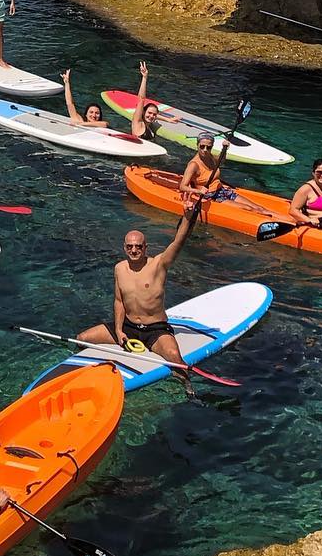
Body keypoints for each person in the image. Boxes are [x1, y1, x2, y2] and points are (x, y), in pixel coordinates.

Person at [77, 203, 201, 393]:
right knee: (82, 338)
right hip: (128, 327)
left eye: (138, 247)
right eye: (130, 247)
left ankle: (188, 390)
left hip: (154, 330)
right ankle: (83, 376)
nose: (134, 250)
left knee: (174, 357)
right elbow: (119, 301)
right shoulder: (119, 268)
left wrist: (188, 216)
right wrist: (119, 331)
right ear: (124, 248)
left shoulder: (159, 265)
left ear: (145, 247)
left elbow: (178, 241)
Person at [179, 131, 237, 204]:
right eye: (202, 146)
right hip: (209, 195)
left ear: (212, 146)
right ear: (197, 145)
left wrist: (224, 149)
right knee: (248, 209)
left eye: (208, 147)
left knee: (255, 208)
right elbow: (182, 186)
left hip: (221, 190)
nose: (205, 150)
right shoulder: (193, 165)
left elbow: (220, 161)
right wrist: (199, 191)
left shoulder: (209, 157)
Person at [122, 61, 162, 143]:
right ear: (143, 112)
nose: (151, 116)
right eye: (149, 113)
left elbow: (156, 116)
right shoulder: (138, 123)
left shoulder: (149, 127)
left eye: (154, 114)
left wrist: (169, 120)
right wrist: (144, 77)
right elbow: (141, 99)